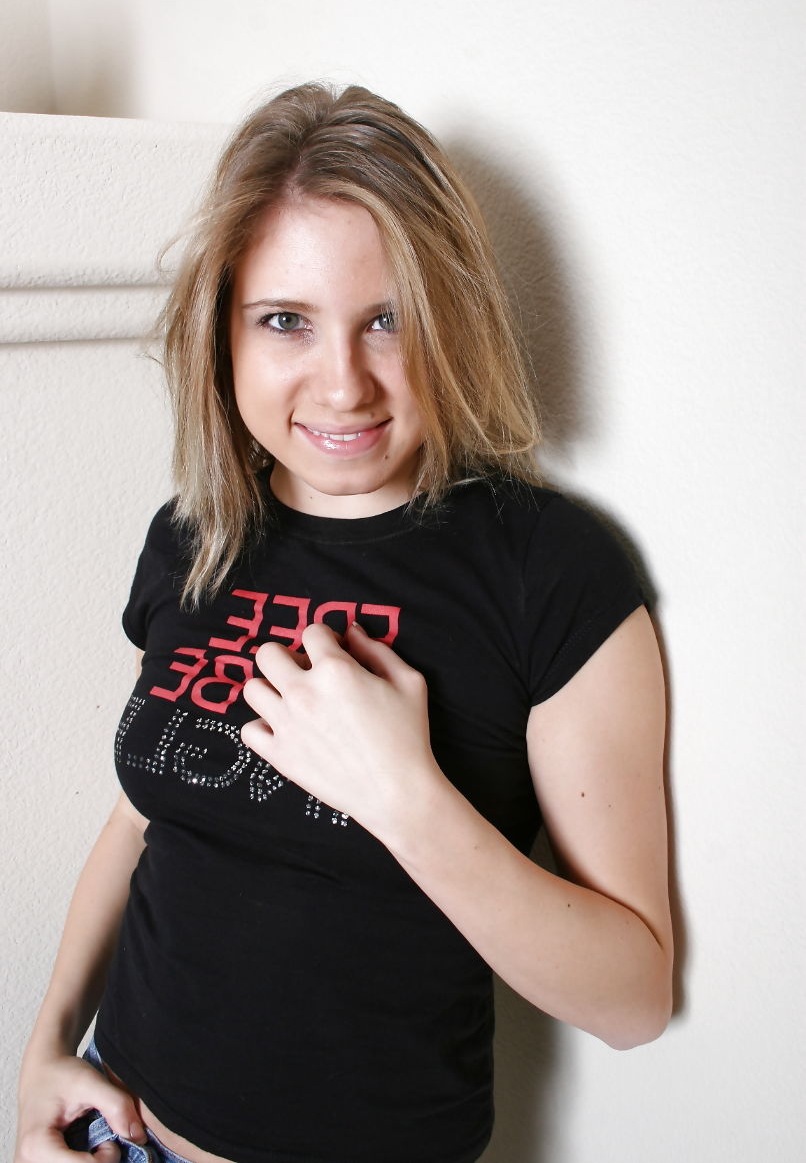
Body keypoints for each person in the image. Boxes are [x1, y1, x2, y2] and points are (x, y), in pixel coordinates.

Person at [15, 83, 673, 1163]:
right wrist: (45, 1048)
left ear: (450, 321)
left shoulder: (547, 571)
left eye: (388, 320)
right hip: (116, 1129)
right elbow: (142, 819)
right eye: (286, 320)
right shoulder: (194, 537)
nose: (342, 384)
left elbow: (631, 997)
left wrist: (404, 796)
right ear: (223, 331)